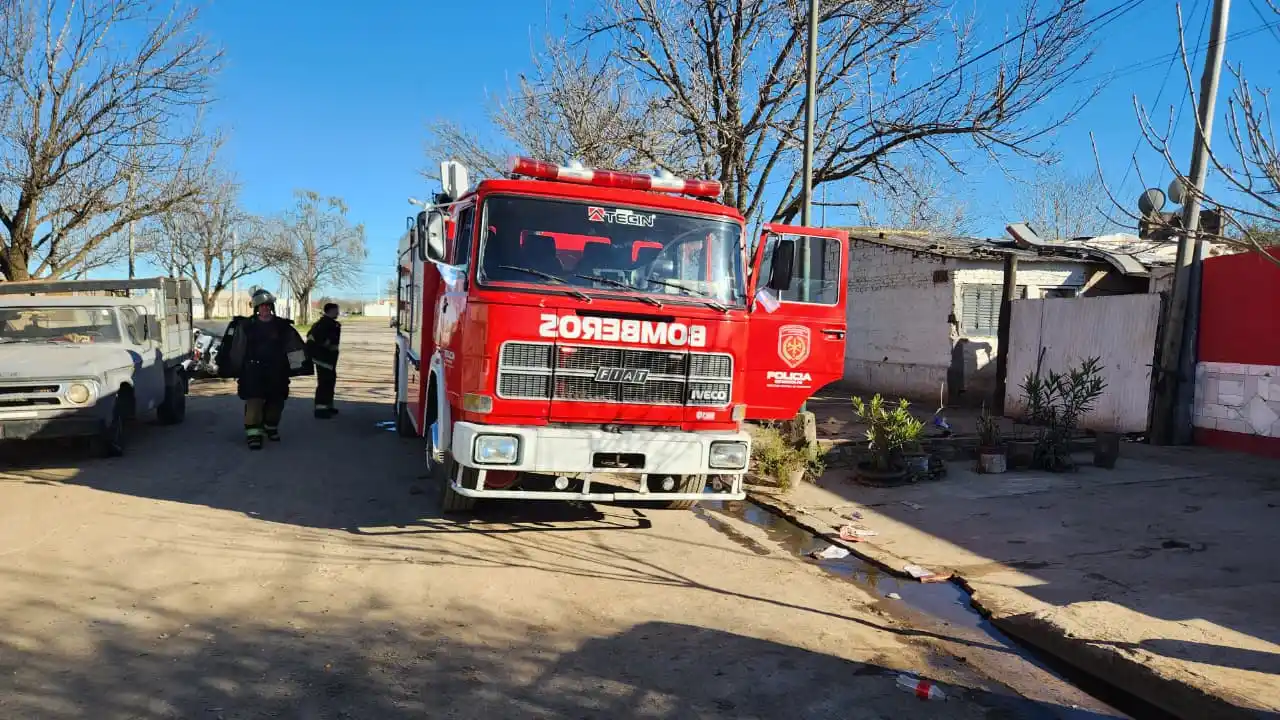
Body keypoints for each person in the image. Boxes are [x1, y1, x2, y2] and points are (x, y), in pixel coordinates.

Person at [217, 289, 311, 450]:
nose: (265, 309)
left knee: (276, 402)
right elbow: (237, 349)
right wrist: (233, 367)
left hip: (277, 371)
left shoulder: (282, 326)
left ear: (272, 307)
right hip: (253, 371)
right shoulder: (245, 326)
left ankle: (270, 426)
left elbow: (293, 347)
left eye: (268, 306)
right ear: (256, 308)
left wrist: (298, 367)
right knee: (254, 402)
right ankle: (254, 434)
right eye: (262, 306)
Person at [307, 302, 342, 418]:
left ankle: (328, 406)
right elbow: (313, 338)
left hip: (330, 360)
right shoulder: (324, 324)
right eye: (336, 310)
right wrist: (325, 346)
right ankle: (320, 409)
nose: (338, 312)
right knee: (324, 383)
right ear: (330, 311)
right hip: (323, 359)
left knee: (330, 381)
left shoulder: (331, 324)